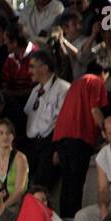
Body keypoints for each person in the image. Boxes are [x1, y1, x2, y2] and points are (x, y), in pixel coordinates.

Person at [52, 61, 108, 220]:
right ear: (103, 73)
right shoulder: (96, 81)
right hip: (79, 137)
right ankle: (74, 220)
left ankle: (65, 219)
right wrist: (106, 131)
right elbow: (95, 109)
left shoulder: (76, 83)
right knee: (76, 183)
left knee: (67, 182)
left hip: (62, 138)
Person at [21, 50, 69, 194]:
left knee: (41, 187)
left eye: (32, 66)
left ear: (45, 68)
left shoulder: (63, 88)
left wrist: (57, 149)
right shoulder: (36, 90)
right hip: (31, 145)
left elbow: (64, 122)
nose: (29, 71)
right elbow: (27, 114)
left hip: (49, 144)